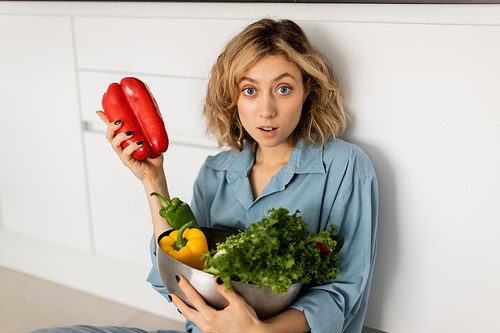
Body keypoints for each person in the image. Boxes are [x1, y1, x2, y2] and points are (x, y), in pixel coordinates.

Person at [32, 18, 378, 333]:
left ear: (308, 91)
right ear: (233, 98)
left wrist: (260, 331)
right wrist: (153, 180)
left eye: (283, 88)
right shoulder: (217, 171)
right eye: (250, 90)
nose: (266, 110)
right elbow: (177, 278)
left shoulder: (344, 166)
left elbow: (342, 292)